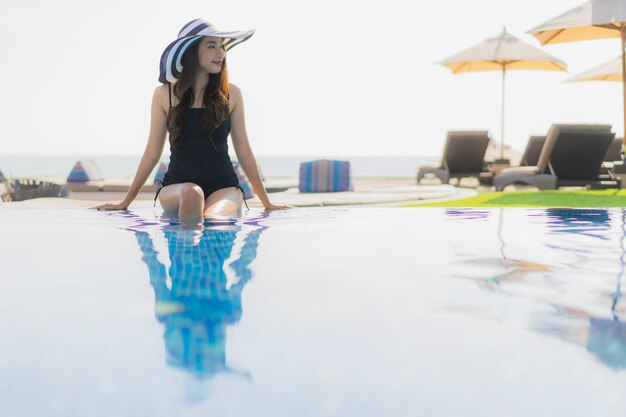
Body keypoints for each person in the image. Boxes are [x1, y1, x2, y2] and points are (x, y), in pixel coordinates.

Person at [93, 19, 291, 221]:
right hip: (177, 187)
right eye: (211, 46)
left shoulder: (232, 94)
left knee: (214, 217)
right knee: (192, 194)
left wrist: (267, 203)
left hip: (224, 187)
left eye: (222, 46)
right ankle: (187, 249)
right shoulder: (164, 95)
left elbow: (245, 152)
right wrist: (126, 201)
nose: (220, 53)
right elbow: (152, 153)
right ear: (191, 51)